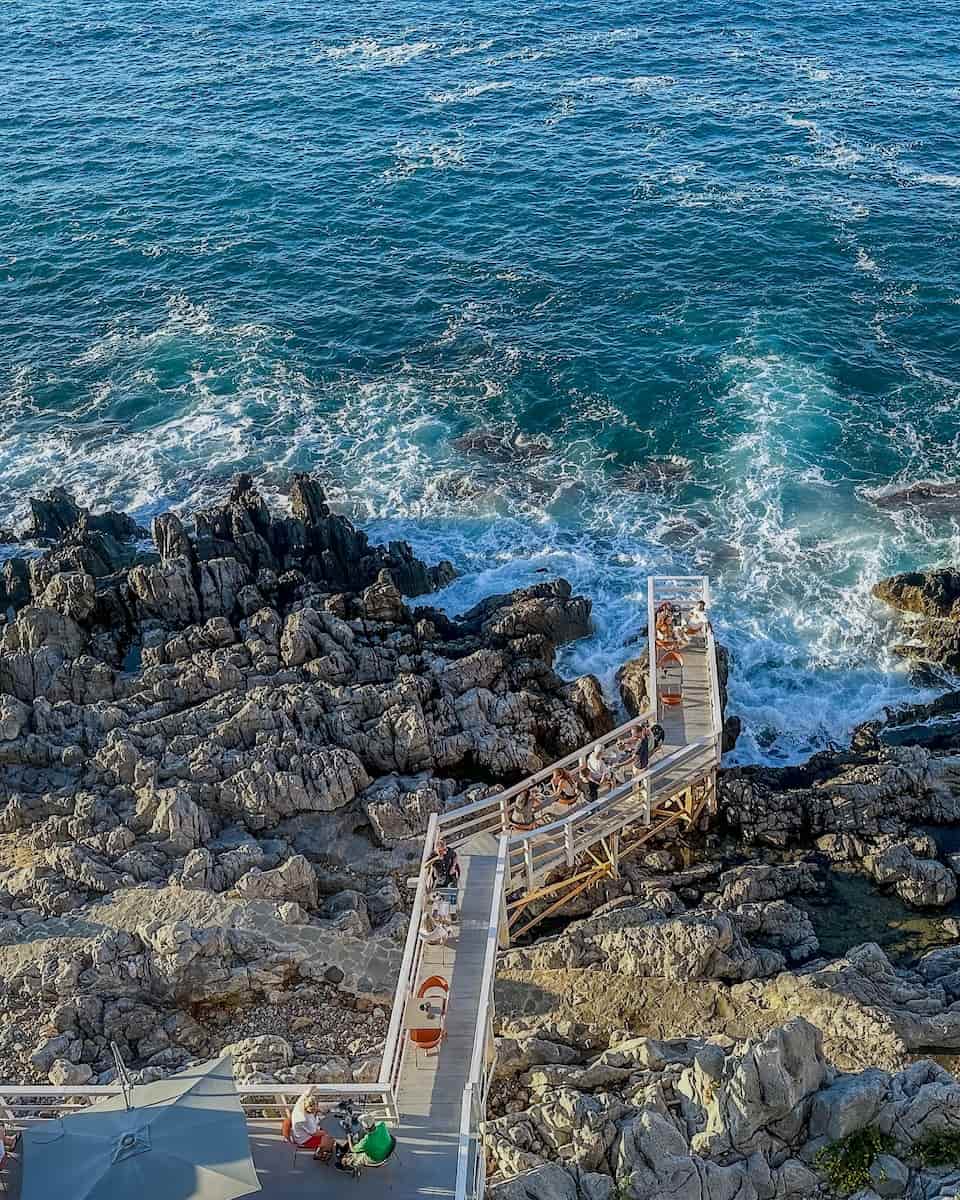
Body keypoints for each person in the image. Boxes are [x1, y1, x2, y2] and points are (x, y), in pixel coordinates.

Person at [291, 1093, 337, 1159]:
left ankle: (325, 1148)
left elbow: (308, 1091)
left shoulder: (301, 1102)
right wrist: (328, 1131)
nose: (317, 1108)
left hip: (302, 1132)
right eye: (315, 1108)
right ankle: (321, 1153)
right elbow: (315, 1133)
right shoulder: (304, 1119)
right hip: (305, 1139)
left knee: (328, 1131)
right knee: (331, 1137)